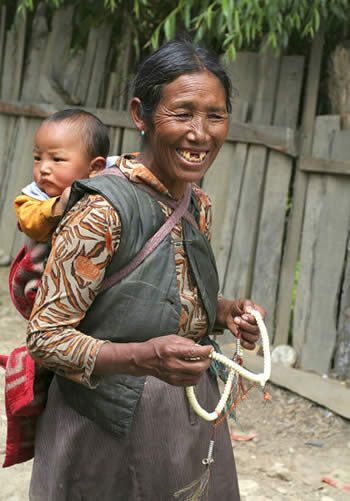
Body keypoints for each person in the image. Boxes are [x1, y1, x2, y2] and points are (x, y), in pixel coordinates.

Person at [26, 39, 266, 500]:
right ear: (141, 114)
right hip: (102, 424)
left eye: (215, 115)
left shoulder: (195, 202)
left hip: (186, 417)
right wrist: (144, 358)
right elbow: (46, 337)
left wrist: (224, 312)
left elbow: (160, 297)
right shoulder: (101, 211)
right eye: (182, 113)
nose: (200, 132)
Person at [14, 108, 110, 243]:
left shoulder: (110, 183)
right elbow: (29, 223)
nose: (43, 168)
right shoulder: (33, 196)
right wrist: (58, 206)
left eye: (57, 159)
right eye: (37, 158)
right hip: (43, 262)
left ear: (95, 167)